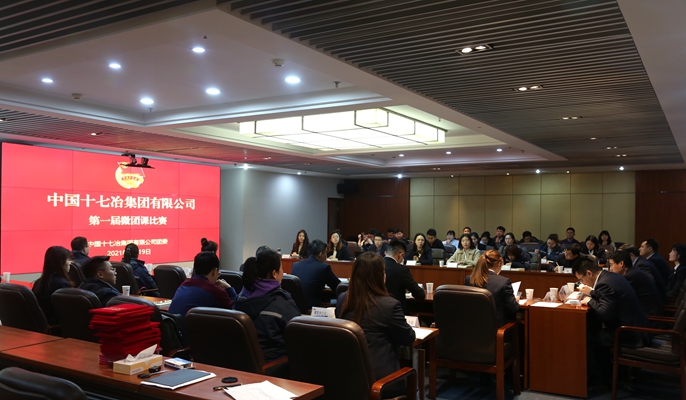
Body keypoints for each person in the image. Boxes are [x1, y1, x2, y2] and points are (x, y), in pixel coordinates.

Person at [336, 252, 416, 397]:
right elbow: (408, 338)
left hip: (348, 378)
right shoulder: (390, 305)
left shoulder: (343, 300)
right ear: (380, 276)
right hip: (383, 382)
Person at [575, 258, 649, 381]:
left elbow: (605, 313)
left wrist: (589, 300)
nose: (582, 283)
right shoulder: (610, 276)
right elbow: (609, 298)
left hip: (630, 333)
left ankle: (601, 380)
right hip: (636, 326)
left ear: (589, 273)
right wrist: (592, 293)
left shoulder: (604, 284)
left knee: (584, 337)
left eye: (581, 279)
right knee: (592, 329)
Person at [234, 249, 301, 362]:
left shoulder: (240, 298)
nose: (283, 272)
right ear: (274, 273)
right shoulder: (282, 303)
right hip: (276, 365)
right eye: (281, 268)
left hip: (241, 364)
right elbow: (299, 336)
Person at [168, 252, 237, 339]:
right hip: (194, 341)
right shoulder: (215, 291)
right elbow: (236, 312)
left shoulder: (183, 285)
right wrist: (229, 288)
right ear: (214, 271)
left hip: (175, 338)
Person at [465, 250, 520, 327]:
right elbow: (514, 308)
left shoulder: (469, 279)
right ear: (498, 264)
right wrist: (515, 300)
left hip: (472, 325)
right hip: (496, 327)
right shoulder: (504, 281)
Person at [607, 250, 663, 316]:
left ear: (621, 263)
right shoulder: (632, 271)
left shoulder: (631, 276)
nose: (610, 269)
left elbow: (621, 298)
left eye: (611, 265)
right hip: (645, 311)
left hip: (649, 316)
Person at [291, 240, 341, 308]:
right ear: (320, 254)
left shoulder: (295, 265)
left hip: (295, 307)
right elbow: (338, 287)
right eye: (325, 253)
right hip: (313, 309)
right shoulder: (324, 267)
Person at [32, 246, 73, 324]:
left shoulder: (38, 282)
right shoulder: (62, 284)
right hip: (55, 325)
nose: (70, 263)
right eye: (68, 259)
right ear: (60, 263)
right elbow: (66, 312)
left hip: (41, 324)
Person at [384, 240, 425, 314]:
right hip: (396, 312)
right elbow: (420, 295)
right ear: (400, 255)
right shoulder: (401, 269)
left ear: (386, 253)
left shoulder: (374, 265)